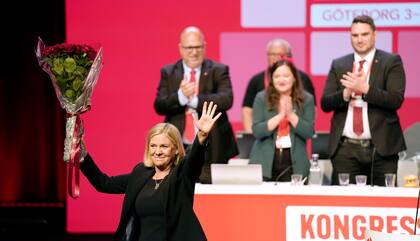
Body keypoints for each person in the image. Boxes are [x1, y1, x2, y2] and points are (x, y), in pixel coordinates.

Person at [80, 101, 221, 241]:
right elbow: (104, 183)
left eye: (164, 146)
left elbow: (194, 160)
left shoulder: (182, 174)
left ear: (176, 149)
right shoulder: (140, 173)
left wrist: (201, 137)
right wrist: (83, 156)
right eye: (153, 146)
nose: (157, 152)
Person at [321, 15, 406, 186]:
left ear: (375, 35)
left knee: (384, 205)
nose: (359, 40)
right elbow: (325, 103)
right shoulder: (339, 64)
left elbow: (395, 99)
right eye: (355, 35)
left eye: (365, 34)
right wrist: (346, 93)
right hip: (345, 150)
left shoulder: (390, 61)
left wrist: (365, 89)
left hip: (381, 149)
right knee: (344, 206)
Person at [154, 26, 238, 183]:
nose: (194, 52)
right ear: (180, 48)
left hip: (213, 145)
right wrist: (180, 97)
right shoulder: (169, 72)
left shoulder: (218, 70)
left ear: (204, 46)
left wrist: (194, 100)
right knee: (178, 189)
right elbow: (159, 105)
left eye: (198, 47)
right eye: (189, 47)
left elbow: (226, 99)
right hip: (179, 145)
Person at [249, 58, 315, 181]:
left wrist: (290, 115)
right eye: (277, 76)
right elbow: (257, 131)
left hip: (294, 163)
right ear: (271, 79)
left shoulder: (307, 99)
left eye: (286, 75)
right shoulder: (261, 98)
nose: (281, 80)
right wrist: (280, 116)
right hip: (265, 161)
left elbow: (309, 132)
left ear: (294, 77)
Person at [242, 38, 316, 133]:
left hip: (295, 136)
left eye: (280, 54)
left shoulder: (303, 79)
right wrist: (250, 134)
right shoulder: (256, 81)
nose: (275, 58)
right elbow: (247, 110)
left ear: (289, 56)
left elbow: (311, 111)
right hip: (266, 138)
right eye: (272, 54)